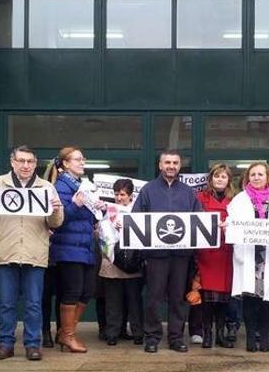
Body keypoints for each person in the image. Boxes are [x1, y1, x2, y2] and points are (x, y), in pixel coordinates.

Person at [0, 145, 63, 361]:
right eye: (21, 161)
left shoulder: (46, 187)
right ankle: (5, 344)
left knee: (33, 303)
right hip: (6, 251)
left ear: (34, 163)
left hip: (35, 252)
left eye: (30, 161)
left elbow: (56, 222)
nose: (26, 165)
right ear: (12, 162)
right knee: (7, 303)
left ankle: (32, 345)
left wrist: (56, 210)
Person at [132, 150, 202, 353]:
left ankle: (176, 338)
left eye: (175, 162)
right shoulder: (148, 190)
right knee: (153, 297)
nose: (171, 166)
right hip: (156, 256)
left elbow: (199, 219)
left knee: (178, 298)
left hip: (182, 256)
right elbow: (137, 218)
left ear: (180, 166)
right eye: (167, 162)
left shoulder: (189, 192)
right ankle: (152, 336)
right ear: (160, 165)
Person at [47, 147, 105, 353]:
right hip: (68, 248)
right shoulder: (60, 186)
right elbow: (57, 219)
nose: (82, 163)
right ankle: (68, 336)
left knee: (87, 290)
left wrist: (97, 209)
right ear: (65, 163)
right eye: (77, 159)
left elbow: (85, 216)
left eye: (83, 159)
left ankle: (65, 332)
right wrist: (75, 205)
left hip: (85, 247)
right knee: (72, 291)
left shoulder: (82, 185)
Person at [227, 162, 269, 352]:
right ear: (247, 178)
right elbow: (231, 219)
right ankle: (251, 337)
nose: (256, 177)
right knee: (250, 297)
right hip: (249, 254)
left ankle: (264, 337)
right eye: (253, 175)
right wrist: (227, 226)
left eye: (260, 174)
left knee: (267, 298)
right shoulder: (240, 199)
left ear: (268, 177)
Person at [193, 163, 236, 349]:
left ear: (229, 180)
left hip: (226, 253)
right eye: (217, 176)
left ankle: (220, 334)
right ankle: (207, 334)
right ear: (211, 179)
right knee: (208, 299)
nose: (220, 179)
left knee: (223, 300)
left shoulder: (236, 200)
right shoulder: (199, 197)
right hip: (206, 254)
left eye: (224, 176)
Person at [99, 179, 144, 345]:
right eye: (116, 194)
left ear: (131, 195)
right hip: (112, 259)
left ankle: (138, 332)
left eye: (123, 195)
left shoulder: (138, 210)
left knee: (134, 300)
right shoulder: (109, 210)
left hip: (132, 260)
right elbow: (102, 232)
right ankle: (112, 333)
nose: (119, 198)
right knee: (113, 300)